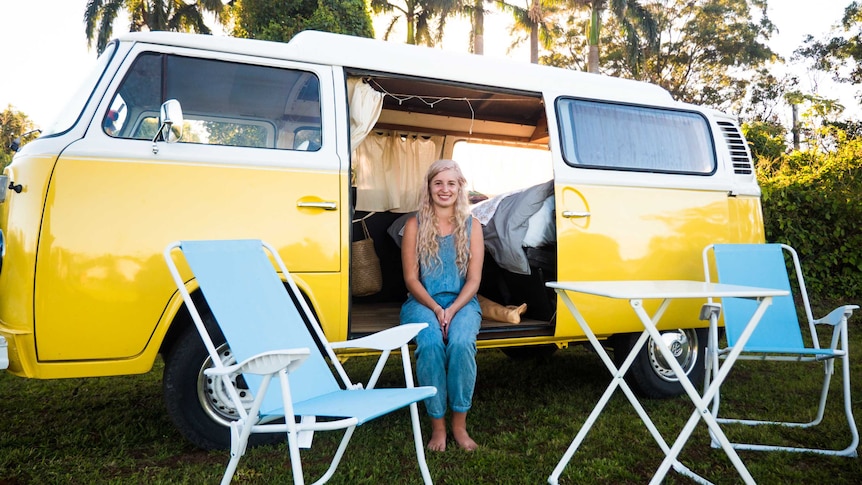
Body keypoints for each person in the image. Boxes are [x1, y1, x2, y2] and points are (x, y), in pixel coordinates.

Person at [400, 159, 484, 452]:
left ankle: (459, 425)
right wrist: (437, 309)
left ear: (460, 187)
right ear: (429, 187)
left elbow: (474, 281)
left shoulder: (472, 227)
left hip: (463, 302)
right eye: (438, 183)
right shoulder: (414, 225)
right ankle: (438, 426)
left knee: (461, 343)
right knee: (432, 343)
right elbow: (411, 279)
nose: (444, 189)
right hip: (422, 302)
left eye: (451, 183)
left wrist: (452, 310)